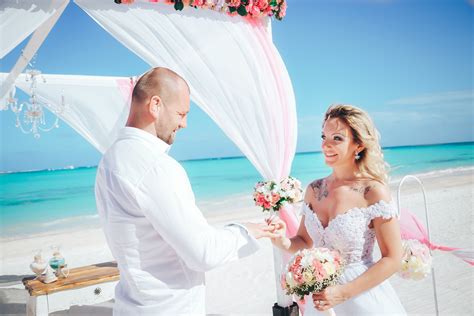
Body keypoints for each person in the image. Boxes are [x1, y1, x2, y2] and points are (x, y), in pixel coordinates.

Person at [95, 67, 277, 315]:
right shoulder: (156, 166)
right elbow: (203, 253)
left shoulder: (110, 159)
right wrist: (248, 231)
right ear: (155, 105)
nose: (184, 123)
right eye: (181, 113)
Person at [271, 104, 407, 315]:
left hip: (362, 298)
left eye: (337, 138)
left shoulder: (372, 192)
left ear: (359, 145)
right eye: (323, 137)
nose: (326, 145)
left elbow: (393, 258)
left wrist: (343, 292)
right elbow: (304, 241)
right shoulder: (314, 190)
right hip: (322, 303)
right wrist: (282, 241)